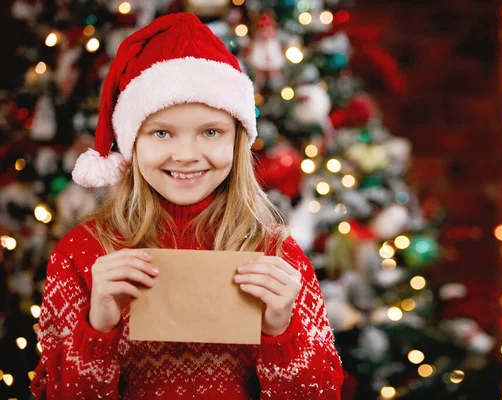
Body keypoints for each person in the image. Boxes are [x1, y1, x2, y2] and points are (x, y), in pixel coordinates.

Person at [30, 12, 344, 399]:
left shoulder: (277, 256)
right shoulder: (83, 254)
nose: (186, 155)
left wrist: (281, 330)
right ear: (131, 143)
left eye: (211, 132)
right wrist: (98, 328)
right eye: (162, 133)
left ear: (237, 141)